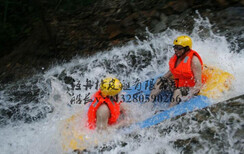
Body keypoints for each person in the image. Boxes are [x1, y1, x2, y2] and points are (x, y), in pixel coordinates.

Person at [149, 35, 203, 107]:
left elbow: (198, 85)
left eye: (179, 48)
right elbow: (171, 71)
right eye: (175, 47)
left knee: (178, 91)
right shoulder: (177, 56)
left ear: (186, 48)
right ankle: (148, 103)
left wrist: (188, 96)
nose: (175, 50)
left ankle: (169, 109)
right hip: (178, 84)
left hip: (189, 88)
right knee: (161, 80)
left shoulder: (194, 61)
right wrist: (161, 81)